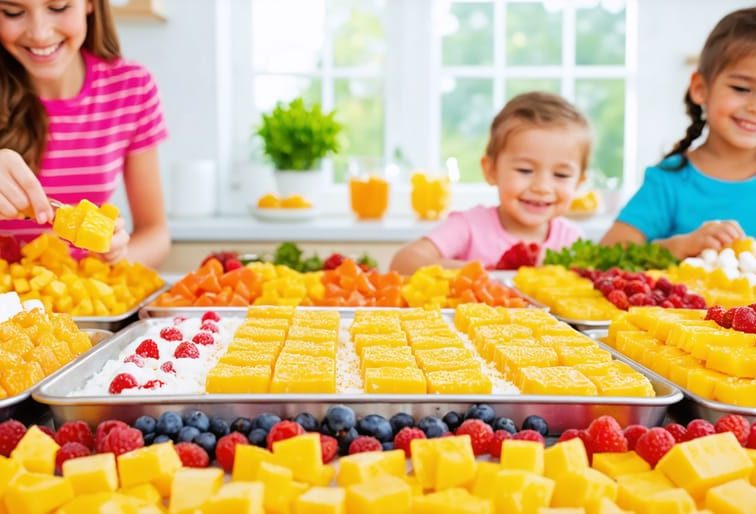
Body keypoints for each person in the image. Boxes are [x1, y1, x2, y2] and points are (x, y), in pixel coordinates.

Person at [0, 0, 170, 267]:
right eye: (12, 12)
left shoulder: (131, 87)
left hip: (82, 301)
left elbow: (156, 234)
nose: (39, 33)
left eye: (58, 8)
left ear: (90, 4)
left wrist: (117, 257)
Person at [602, 7, 756, 259]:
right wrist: (678, 247)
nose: (753, 106)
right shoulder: (669, 181)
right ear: (700, 89)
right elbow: (606, 255)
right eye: (741, 88)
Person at [390, 91, 590, 274]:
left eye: (561, 175)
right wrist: (477, 272)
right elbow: (403, 262)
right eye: (525, 170)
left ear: (579, 182)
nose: (542, 187)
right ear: (491, 170)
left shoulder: (572, 239)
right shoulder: (469, 226)